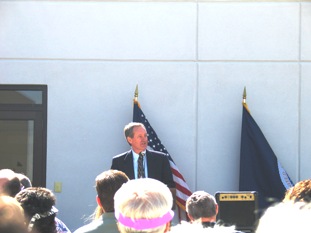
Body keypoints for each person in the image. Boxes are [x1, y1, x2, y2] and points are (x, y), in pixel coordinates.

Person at [111, 122, 176, 195]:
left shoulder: (161, 159)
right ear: (130, 140)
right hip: (130, 205)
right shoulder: (118, 162)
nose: (144, 139)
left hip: (154, 204)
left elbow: (170, 186)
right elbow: (114, 188)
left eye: (145, 136)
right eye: (140, 136)